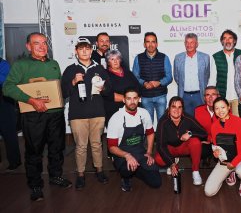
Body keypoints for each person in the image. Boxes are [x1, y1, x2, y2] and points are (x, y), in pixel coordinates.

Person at [3, 33, 72, 201]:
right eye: (36, 43)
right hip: (33, 117)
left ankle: (56, 176)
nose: (42, 46)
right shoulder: (21, 65)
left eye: (44, 43)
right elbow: (7, 88)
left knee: (57, 149)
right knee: (34, 152)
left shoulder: (54, 64)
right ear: (28, 46)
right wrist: (31, 100)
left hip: (55, 115)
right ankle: (35, 185)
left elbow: (58, 88)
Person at [61, 38, 112, 190]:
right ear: (76, 51)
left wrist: (103, 88)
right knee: (81, 146)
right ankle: (81, 174)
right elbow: (63, 93)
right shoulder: (70, 70)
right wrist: (73, 82)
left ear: (91, 50)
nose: (84, 51)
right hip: (78, 115)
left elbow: (109, 91)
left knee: (97, 144)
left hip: (97, 113)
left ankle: (99, 170)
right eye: (81, 49)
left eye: (87, 48)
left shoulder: (100, 69)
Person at [107, 88, 161, 192]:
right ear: (124, 100)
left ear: (139, 99)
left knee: (156, 182)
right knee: (127, 170)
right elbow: (111, 147)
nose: (132, 102)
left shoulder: (144, 113)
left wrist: (149, 152)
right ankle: (126, 177)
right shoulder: (116, 118)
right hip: (122, 155)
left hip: (140, 152)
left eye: (135, 98)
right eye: (129, 98)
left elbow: (150, 133)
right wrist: (127, 156)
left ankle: (136, 168)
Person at [204, 97, 241, 198]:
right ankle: (231, 173)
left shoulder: (240, 123)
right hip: (225, 162)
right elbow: (217, 147)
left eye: (223, 107)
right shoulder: (214, 126)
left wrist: (233, 163)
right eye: (217, 108)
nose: (220, 111)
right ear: (214, 110)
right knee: (209, 192)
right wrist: (216, 153)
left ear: (228, 107)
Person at [155, 96, 207, 185]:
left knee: (195, 142)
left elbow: (204, 133)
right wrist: (171, 163)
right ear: (169, 108)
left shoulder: (187, 118)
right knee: (159, 159)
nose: (177, 110)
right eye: (173, 107)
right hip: (170, 149)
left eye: (180, 107)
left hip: (183, 147)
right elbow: (160, 145)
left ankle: (195, 172)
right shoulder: (163, 121)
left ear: (183, 108)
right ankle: (172, 163)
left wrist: (190, 134)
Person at [132, 32, 173, 130]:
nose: (150, 44)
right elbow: (135, 76)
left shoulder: (164, 57)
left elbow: (169, 77)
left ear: (157, 44)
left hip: (161, 96)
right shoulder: (138, 58)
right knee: (147, 124)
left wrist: (159, 82)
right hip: (145, 97)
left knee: (163, 123)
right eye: (148, 42)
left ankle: (161, 143)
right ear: (144, 44)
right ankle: (148, 144)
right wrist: (144, 83)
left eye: (153, 42)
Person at [208, 29, 241, 116]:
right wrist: (212, 97)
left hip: (239, 98)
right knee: (224, 124)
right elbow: (212, 79)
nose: (227, 41)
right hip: (222, 98)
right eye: (225, 38)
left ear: (234, 41)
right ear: (222, 41)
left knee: (237, 123)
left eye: (230, 38)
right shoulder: (216, 56)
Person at [173, 33, 210, 116]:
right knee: (186, 120)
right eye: (187, 42)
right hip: (184, 96)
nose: (189, 45)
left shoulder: (205, 57)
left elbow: (206, 76)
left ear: (197, 44)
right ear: (184, 44)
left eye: (192, 42)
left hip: (199, 95)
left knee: (200, 120)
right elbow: (176, 76)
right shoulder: (178, 58)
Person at [104, 50, 139, 127]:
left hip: (130, 109)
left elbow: (137, 87)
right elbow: (107, 93)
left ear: (120, 60)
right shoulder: (105, 74)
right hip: (113, 110)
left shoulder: (128, 72)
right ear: (108, 62)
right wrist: (128, 99)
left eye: (117, 58)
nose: (115, 61)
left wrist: (131, 99)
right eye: (112, 59)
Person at [0, 57, 22, 171]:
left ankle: (15, 161)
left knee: (9, 133)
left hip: (4, 103)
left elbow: (5, 80)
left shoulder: (3, 64)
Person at [194, 86, 219, 165]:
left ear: (218, 96)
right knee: (198, 149)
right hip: (205, 141)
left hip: (219, 141)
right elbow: (196, 130)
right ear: (204, 98)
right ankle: (207, 156)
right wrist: (205, 139)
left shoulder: (225, 110)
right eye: (207, 95)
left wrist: (212, 140)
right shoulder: (198, 110)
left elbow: (227, 131)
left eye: (213, 94)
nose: (210, 98)